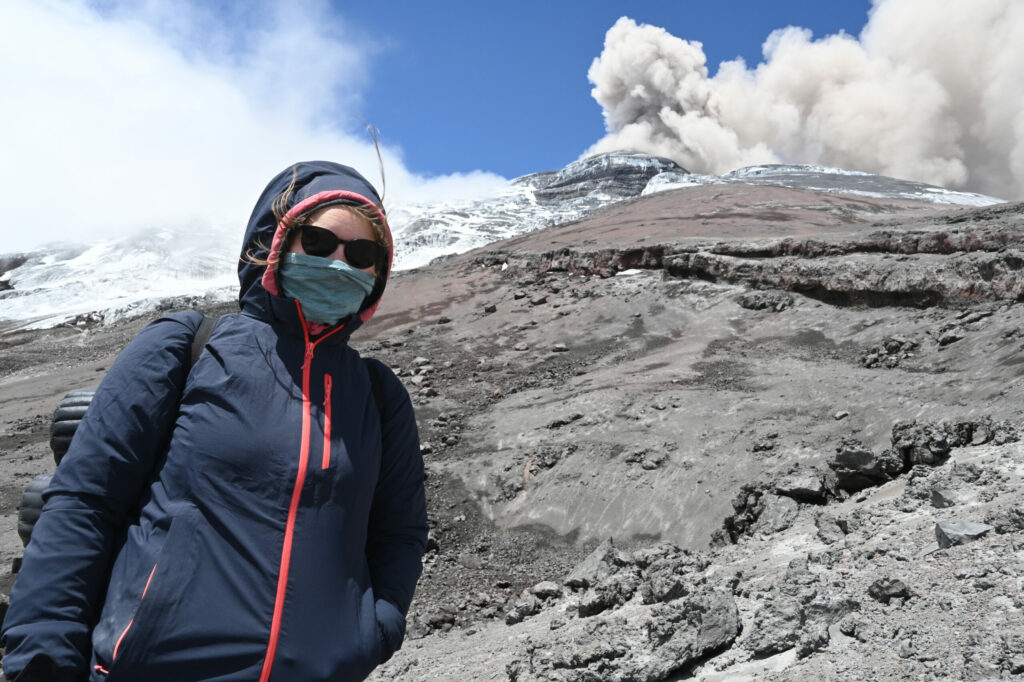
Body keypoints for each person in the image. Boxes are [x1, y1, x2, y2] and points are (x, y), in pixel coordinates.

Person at [1, 161, 429, 681]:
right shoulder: (187, 346)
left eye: (361, 255)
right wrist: (42, 661)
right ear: (276, 242)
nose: (339, 263)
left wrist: (374, 630)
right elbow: (85, 503)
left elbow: (400, 532)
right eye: (318, 243)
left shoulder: (378, 395)